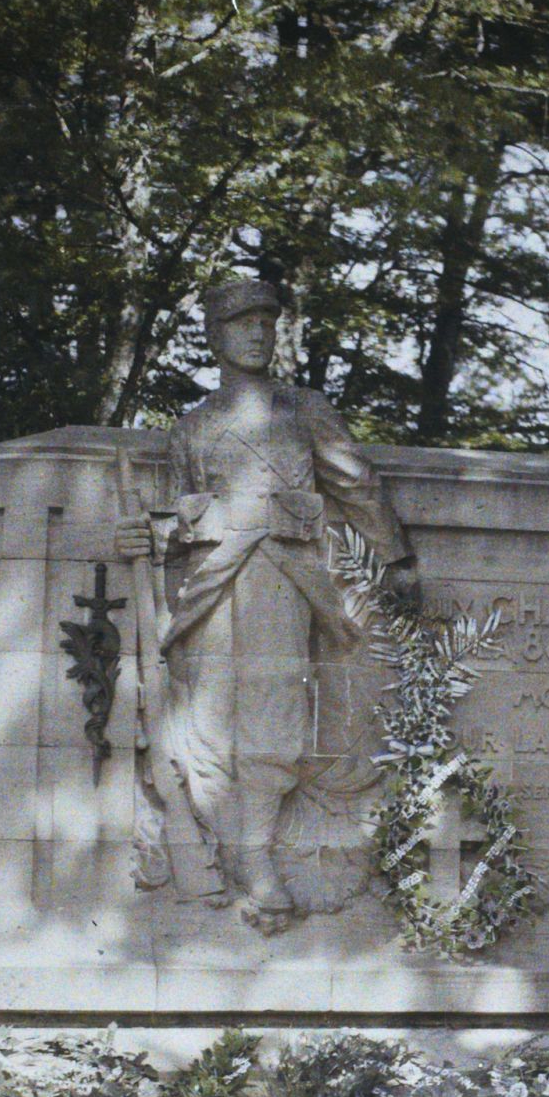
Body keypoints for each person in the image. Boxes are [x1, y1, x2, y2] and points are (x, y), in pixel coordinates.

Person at [115, 276, 417, 929]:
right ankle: (232, 853)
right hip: (213, 586)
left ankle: (256, 860)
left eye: (266, 322)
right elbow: (175, 518)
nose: (257, 332)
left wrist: (395, 556)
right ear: (215, 335)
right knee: (211, 719)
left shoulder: (303, 411)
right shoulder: (192, 428)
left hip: (286, 578)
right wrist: (147, 533)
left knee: (276, 717)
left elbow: (355, 482)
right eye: (242, 322)